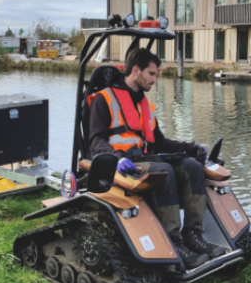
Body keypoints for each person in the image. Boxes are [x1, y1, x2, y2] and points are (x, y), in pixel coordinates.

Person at [88, 48, 228, 269]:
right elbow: (95, 140)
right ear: (136, 70)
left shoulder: (146, 107)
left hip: (146, 159)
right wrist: (116, 158)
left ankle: (193, 234)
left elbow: (160, 142)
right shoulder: (104, 99)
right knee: (164, 170)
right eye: (152, 74)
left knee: (192, 167)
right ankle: (172, 240)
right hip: (122, 165)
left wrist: (191, 148)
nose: (155, 79)